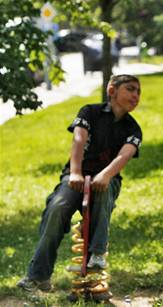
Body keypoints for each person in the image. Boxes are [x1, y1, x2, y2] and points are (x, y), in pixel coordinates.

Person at [17, 74, 142, 291]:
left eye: (138, 92)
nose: (136, 95)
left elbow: (124, 155)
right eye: (130, 89)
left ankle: (97, 254)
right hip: (75, 176)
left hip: (107, 179)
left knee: (103, 194)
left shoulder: (133, 129)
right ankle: (38, 276)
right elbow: (78, 140)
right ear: (112, 90)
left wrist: (105, 175)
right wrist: (74, 172)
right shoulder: (89, 112)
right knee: (57, 208)